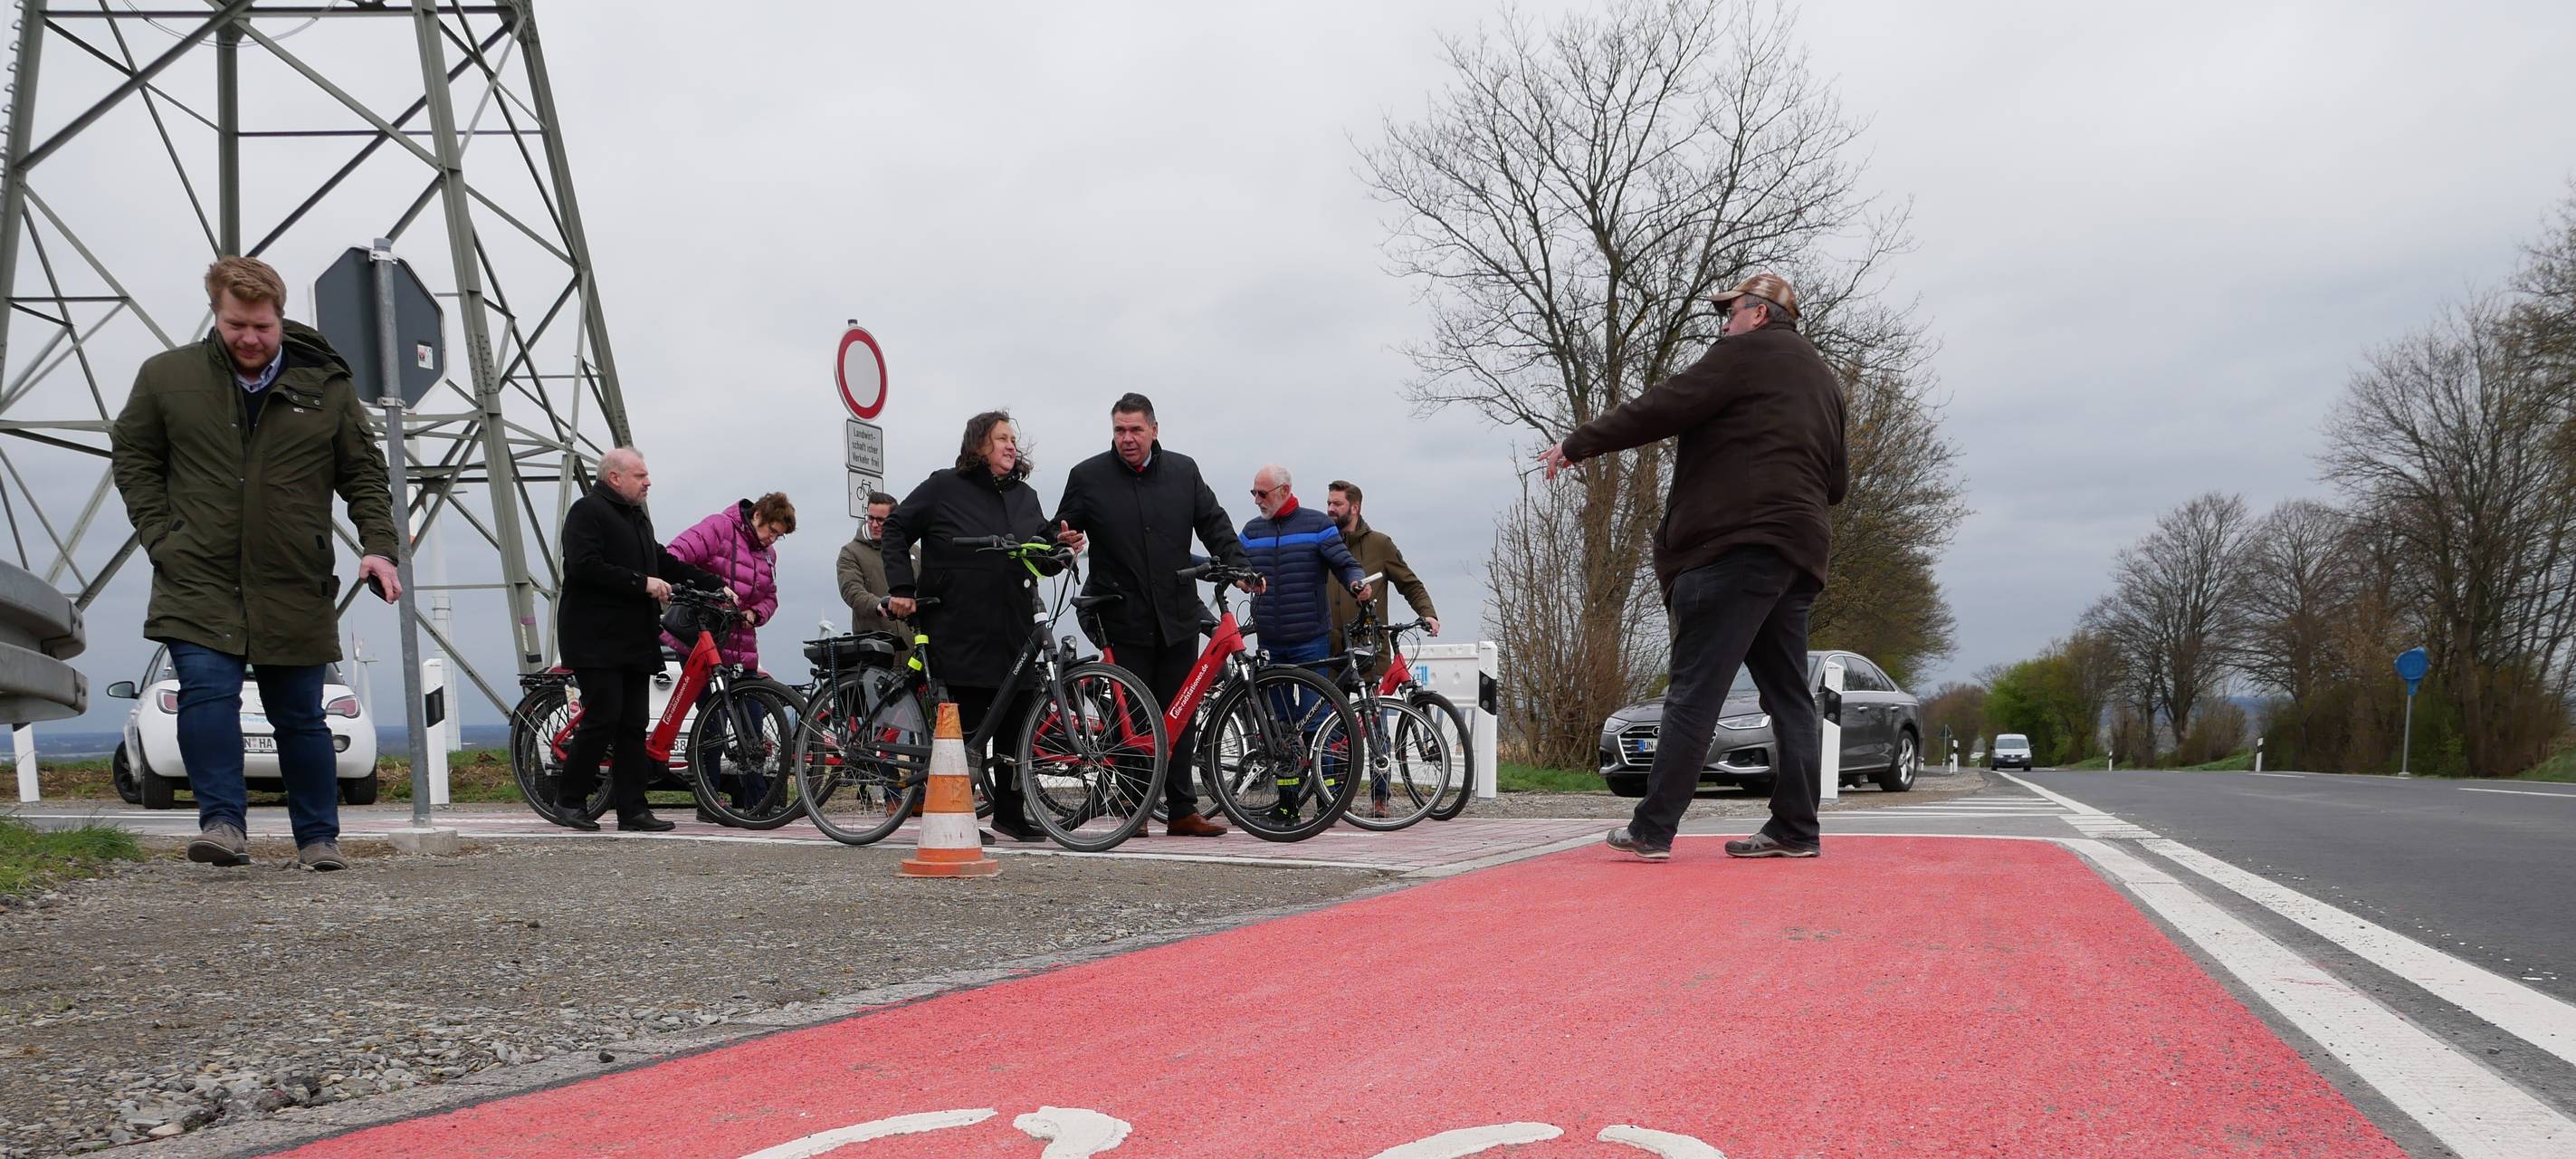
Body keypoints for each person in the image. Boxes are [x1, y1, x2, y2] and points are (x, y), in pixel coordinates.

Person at [1537, 273, 1847, 861]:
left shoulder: (1743, 353)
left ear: (1758, 315)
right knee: (1788, 698)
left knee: (1694, 693)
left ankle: (1653, 828)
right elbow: (1837, 483)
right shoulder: (1825, 383)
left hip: (1731, 548)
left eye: (1729, 312)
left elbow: (1665, 406)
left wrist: (1578, 444)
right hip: (1798, 553)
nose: (1723, 323)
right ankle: (1797, 829)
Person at [109, 256, 403, 872]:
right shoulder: (167, 378)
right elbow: (134, 454)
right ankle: (222, 824)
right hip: (197, 572)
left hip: (293, 576)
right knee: (206, 694)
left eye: (262, 327)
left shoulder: (326, 387)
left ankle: (318, 838)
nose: (249, 338)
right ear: (216, 314)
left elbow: (364, 475)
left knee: (299, 713)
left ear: (280, 317)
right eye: (236, 324)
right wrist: (162, 535)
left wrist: (378, 547)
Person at [1051, 392, 1245, 838]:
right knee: (1135, 719)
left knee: (1181, 710)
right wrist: (1063, 539)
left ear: (1154, 430)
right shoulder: (1087, 476)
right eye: (1119, 430)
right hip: (1120, 612)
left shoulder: (1183, 470)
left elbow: (1214, 522)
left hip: (1177, 612)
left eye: (1135, 429)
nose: (1127, 439)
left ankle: (1181, 810)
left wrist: (1239, 565)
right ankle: (1134, 811)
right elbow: (1061, 526)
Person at [882, 411, 1059, 843]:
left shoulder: (1026, 497)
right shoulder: (944, 487)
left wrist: (1061, 546)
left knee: (1018, 719)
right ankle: (956, 814)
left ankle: (1011, 814)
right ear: (979, 444)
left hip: (1014, 624)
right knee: (966, 727)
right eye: (1002, 438)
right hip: (959, 623)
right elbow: (896, 528)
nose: (1011, 446)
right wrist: (902, 587)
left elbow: (1042, 553)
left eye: (1013, 439)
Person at [554, 447, 726, 832]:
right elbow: (584, 567)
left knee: (632, 724)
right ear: (614, 477)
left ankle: (633, 809)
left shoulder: (637, 518)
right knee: (603, 717)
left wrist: (715, 584)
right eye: (640, 475)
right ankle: (568, 801)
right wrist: (641, 583)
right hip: (594, 637)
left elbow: (662, 561)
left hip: (634, 637)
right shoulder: (587, 512)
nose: (648, 482)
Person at [663, 492, 795, 823]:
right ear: (758, 516)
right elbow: (674, 555)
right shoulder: (718, 528)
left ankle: (758, 803)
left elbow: (770, 597)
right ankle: (709, 801)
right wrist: (709, 590)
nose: (773, 539)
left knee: (750, 726)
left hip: (742, 648)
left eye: (779, 536)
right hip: (703, 642)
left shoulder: (769, 556)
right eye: (772, 531)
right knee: (714, 724)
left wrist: (756, 614)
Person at [1321, 479, 1440, 817]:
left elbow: (1409, 583)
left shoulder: (1380, 544)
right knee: (1330, 731)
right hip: (1330, 649)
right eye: (1328, 503)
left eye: (1337, 504)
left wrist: (1427, 613)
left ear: (1355, 507)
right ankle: (1329, 800)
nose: (1330, 509)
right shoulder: (1323, 542)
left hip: (1370, 649)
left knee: (1376, 728)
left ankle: (1380, 798)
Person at [835, 491, 911, 643]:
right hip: (876, 649)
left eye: (881, 520)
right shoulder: (850, 553)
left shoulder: (912, 552)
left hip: (912, 646)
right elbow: (852, 591)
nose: (874, 525)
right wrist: (878, 606)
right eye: (871, 518)